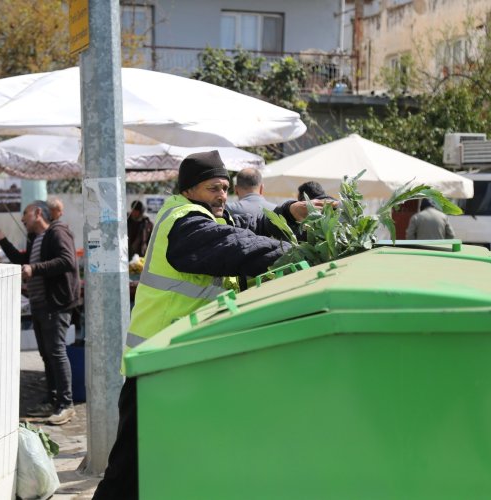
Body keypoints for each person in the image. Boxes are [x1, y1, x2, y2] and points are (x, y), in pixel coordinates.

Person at [92, 150, 330, 500]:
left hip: (183, 365)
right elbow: (237, 244)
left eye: (224, 188)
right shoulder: (185, 222)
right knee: (129, 474)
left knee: (174, 466)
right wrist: (304, 257)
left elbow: (249, 226)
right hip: (156, 367)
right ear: (189, 190)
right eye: (212, 188)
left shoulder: (209, 214)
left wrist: (291, 212)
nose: (221, 196)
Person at [0, 198, 80, 425]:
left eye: (25, 213)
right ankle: (53, 399)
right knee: (47, 355)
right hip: (39, 305)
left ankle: (66, 405)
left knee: (56, 352)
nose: (22, 219)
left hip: (55, 304)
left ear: (38, 213)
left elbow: (67, 260)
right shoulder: (36, 238)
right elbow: (23, 260)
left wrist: (34, 268)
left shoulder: (57, 233)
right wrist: (4, 241)